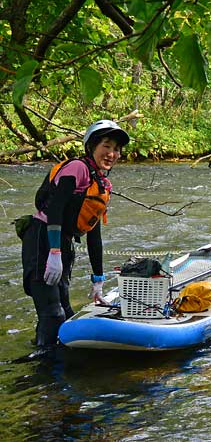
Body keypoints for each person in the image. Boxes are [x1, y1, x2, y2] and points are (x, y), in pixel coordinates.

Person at [21, 120, 129, 348]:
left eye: (116, 149)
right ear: (91, 146)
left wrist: (98, 280)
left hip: (63, 243)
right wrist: (53, 251)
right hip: (42, 239)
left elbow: (94, 234)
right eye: (106, 146)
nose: (112, 153)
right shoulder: (77, 168)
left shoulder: (102, 184)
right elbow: (55, 208)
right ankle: (42, 372)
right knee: (52, 315)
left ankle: (56, 362)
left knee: (66, 313)